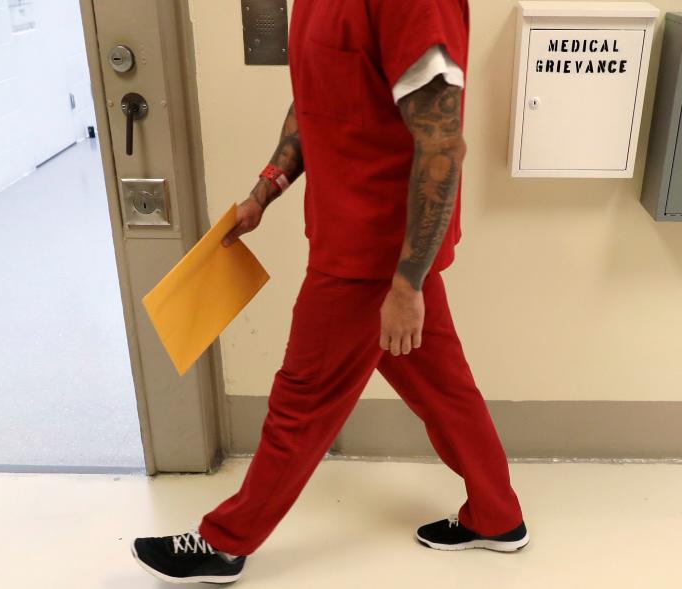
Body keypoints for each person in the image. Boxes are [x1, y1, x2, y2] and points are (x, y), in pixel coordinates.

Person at [130, 0, 528, 583]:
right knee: (445, 390)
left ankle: (224, 543)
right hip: (355, 241)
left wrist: (406, 284)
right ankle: (497, 517)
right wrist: (265, 190)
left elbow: (441, 144)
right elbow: (317, 101)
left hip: (374, 260)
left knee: (302, 400)